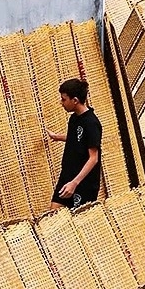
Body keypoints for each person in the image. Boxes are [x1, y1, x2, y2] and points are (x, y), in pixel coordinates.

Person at [45, 78, 102, 209]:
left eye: (64, 99)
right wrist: (57, 137)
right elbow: (77, 138)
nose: (61, 103)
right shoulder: (74, 119)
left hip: (83, 182)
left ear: (75, 100)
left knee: (78, 217)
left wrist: (75, 183)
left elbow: (93, 158)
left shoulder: (92, 123)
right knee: (54, 213)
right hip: (67, 175)